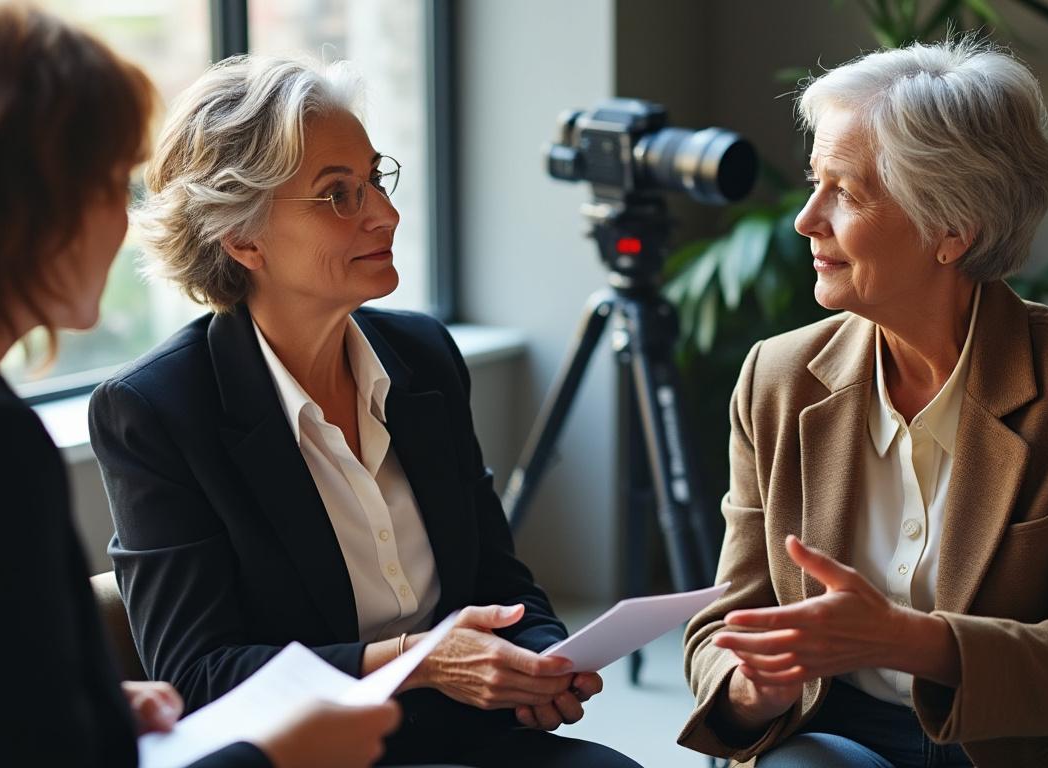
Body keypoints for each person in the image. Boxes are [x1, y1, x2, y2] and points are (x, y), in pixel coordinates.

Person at [0, 2, 397, 766]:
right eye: (110, 183)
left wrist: (88, 714)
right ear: (12, 202)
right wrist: (276, 756)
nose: (125, 219)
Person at [87, 54, 639, 768]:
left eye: (375, 179)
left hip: (466, 732)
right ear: (242, 237)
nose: (387, 213)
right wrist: (420, 658)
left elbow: (501, 584)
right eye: (338, 195)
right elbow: (198, 676)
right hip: (316, 755)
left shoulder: (423, 356)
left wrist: (539, 661)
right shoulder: (156, 410)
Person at [676, 37, 1048, 767]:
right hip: (835, 726)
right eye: (812, 182)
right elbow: (729, 619)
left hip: (1012, 743)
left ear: (952, 230)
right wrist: (746, 688)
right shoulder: (779, 378)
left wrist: (907, 639)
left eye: (845, 192)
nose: (805, 219)